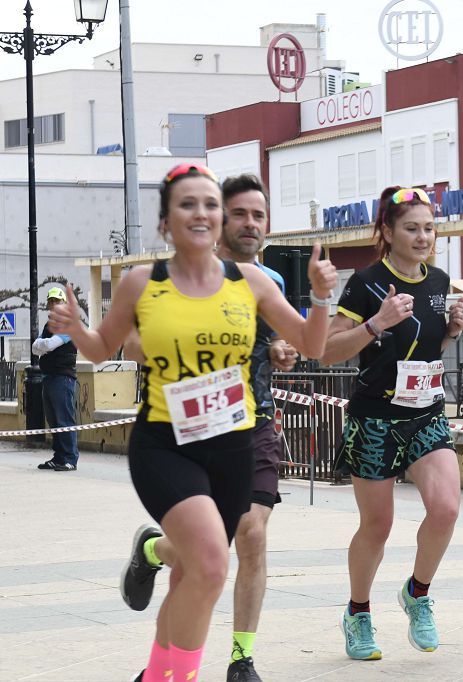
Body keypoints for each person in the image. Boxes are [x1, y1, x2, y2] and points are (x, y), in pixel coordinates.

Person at [47, 163, 337, 682]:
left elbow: (313, 345)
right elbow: (103, 348)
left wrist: (318, 297)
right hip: (166, 444)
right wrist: (76, 328)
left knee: (192, 574)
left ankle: (155, 676)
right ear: (166, 221)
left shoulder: (252, 282)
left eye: (209, 204)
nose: (201, 213)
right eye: (187, 204)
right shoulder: (142, 283)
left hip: (233, 446)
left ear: (218, 218)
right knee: (210, 565)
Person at [117, 174, 297, 682]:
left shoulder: (267, 282)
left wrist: (280, 347)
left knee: (251, 534)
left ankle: (242, 658)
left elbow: (281, 337)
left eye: (258, 216)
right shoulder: (171, 281)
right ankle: (154, 555)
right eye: (238, 214)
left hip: (254, 423)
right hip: (187, 430)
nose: (249, 224)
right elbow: (132, 342)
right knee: (205, 555)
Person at [320, 186, 463, 661]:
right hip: (376, 420)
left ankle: (417, 594)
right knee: (377, 526)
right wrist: (375, 323)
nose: (423, 237)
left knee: (446, 509)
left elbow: (428, 347)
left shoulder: (439, 280)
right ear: (387, 231)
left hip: (426, 413)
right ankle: (358, 612)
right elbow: (327, 352)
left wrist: (452, 331)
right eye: (411, 228)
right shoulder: (366, 283)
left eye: (429, 228)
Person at [33, 286, 81, 471]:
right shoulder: (49, 326)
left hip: (63, 378)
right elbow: (34, 348)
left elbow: (50, 345)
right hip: (49, 377)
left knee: (65, 419)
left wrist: (42, 345)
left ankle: (70, 459)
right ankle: (59, 457)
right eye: (51, 301)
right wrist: (43, 345)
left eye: (57, 301)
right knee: (53, 420)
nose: (54, 304)